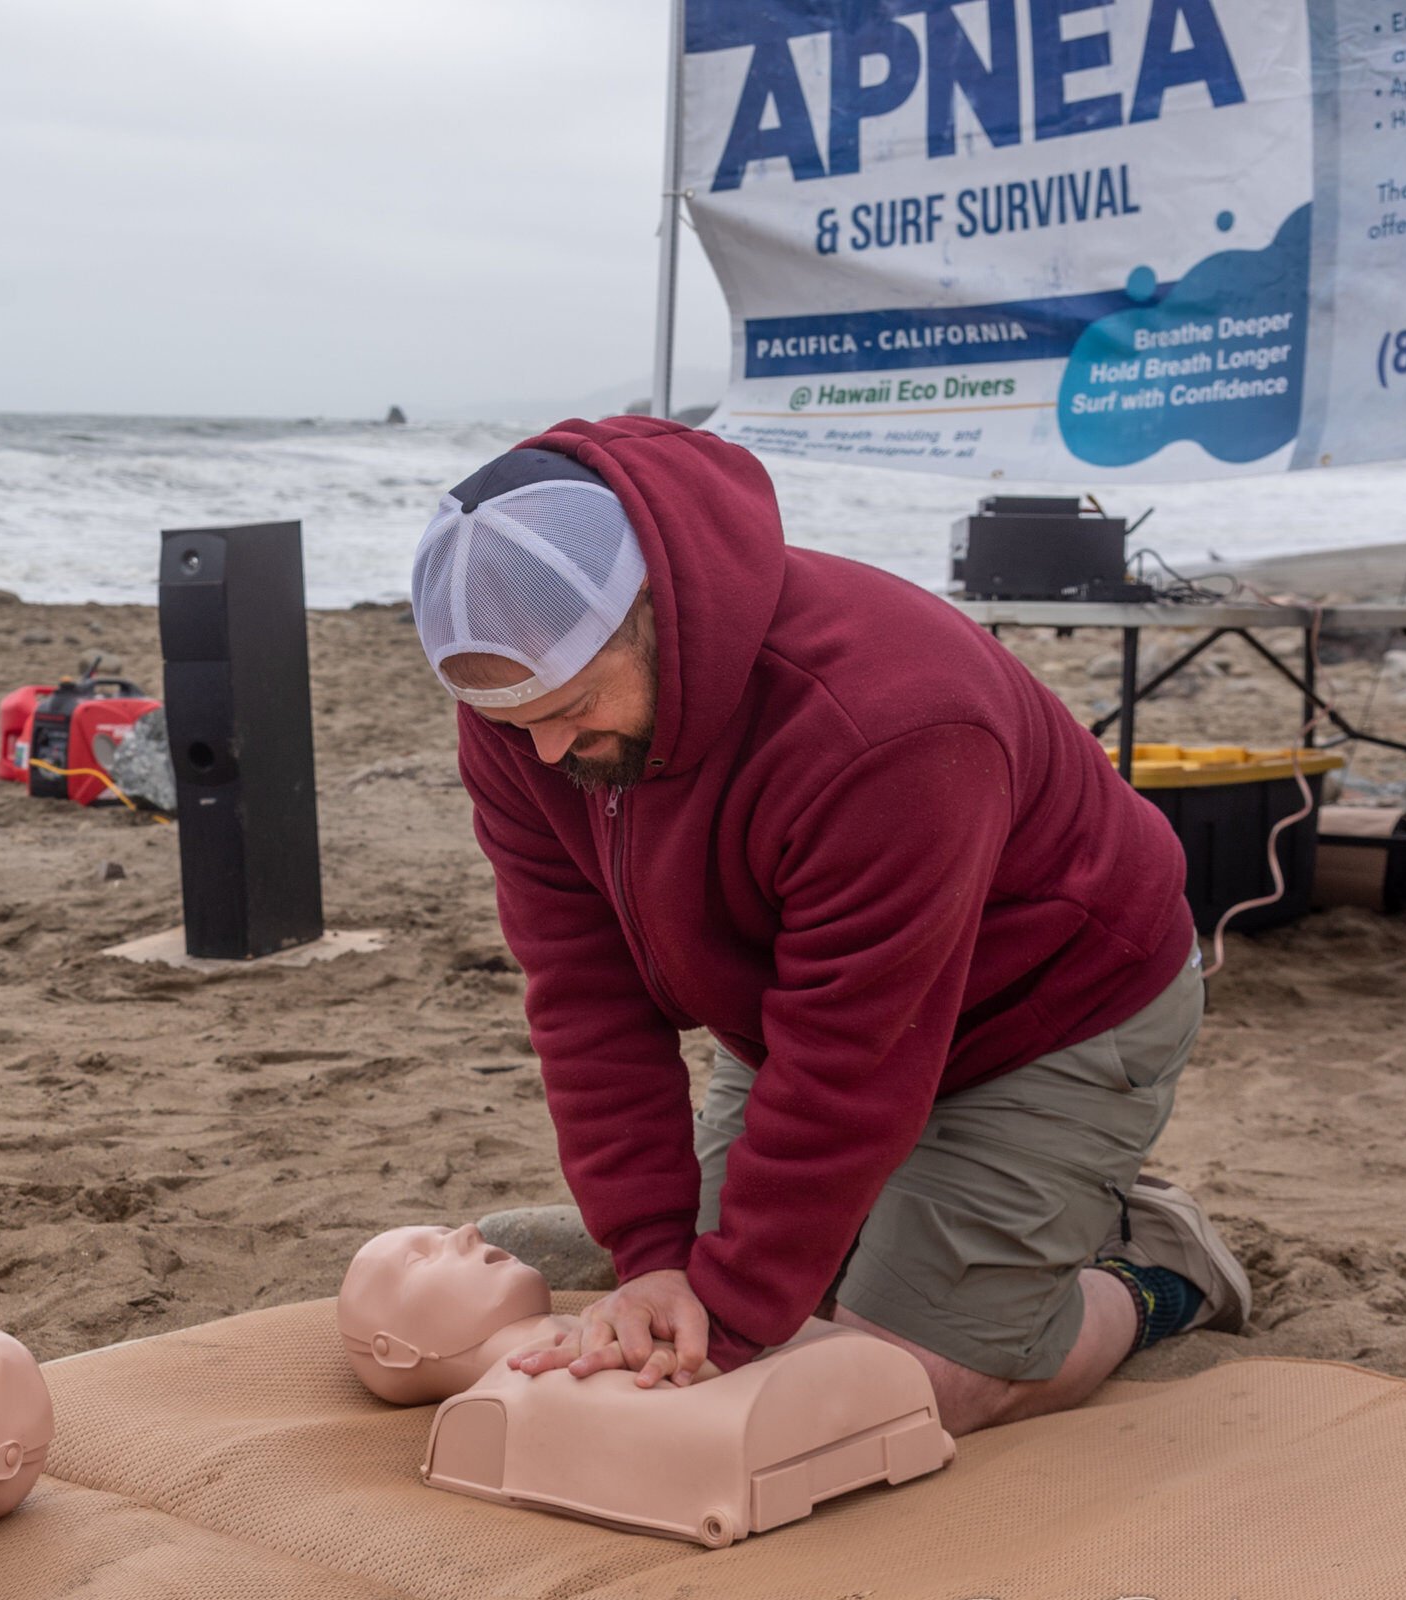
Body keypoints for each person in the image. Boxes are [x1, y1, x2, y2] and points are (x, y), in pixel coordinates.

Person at [414, 419, 1247, 1440]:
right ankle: (933, 1220)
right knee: (749, 1310)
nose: (542, 752)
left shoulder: (888, 718)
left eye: (573, 709)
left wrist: (724, 1311)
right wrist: (650, 1255)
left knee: (902, 1382)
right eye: (512, 724)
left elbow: (850, 1061)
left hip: (1050, 1008)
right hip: (794, 1005)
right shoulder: (521, 707)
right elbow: (583, 991)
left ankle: (1157, 1260)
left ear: (653, 612)